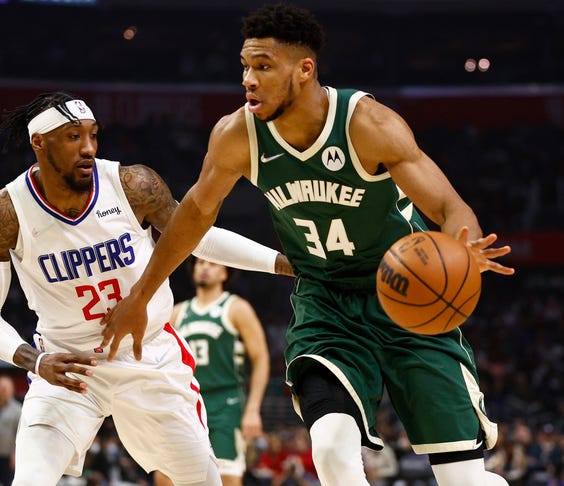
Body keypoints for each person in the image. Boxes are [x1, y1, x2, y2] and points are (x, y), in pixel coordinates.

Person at [99, 5, 516, 486]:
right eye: (245, 67)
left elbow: (448, 206)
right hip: (327, 302)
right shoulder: (237, 135)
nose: (248, 80)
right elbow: (192, 216)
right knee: (333, 452)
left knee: (463, 479)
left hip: (407, 295)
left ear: (304, 69)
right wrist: (140, 295)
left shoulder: (367, 125)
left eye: (262, 66)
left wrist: (460, 249)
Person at [0, 91, 292, 486]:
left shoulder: (132, 184)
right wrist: (34, 361)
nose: (88, 148)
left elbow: (198, 239)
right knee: (31, 479)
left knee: (203, 481)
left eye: (92, 135)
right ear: (39, 142)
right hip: (68, 365)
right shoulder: (2, 212)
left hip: (147, 355)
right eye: (72, 137)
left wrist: (283, 263)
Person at [155, 257, 270, 486]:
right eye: (199, 264)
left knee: (226, 477)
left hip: (226, 403)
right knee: (165, 477)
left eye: (212, 264)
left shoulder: (237, 308)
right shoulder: (177, 312)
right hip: (187, 402)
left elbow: (261, 359)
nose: (204, 267)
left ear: (225, 273)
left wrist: (253, 409)